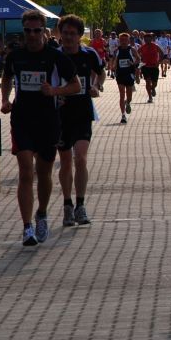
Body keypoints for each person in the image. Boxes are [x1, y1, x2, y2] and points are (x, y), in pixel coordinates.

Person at [1, 9, 80, 247]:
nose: (32, 35)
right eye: (27, 31)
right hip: (22, 119)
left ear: (44, 32)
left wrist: (54, 91)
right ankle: (27, 227)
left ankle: (42, 213)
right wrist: (5, 100)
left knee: (44, 172)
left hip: (48, 121)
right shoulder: (16, 55)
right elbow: (6, 77)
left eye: (36, 31)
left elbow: (75, 86)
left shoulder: (56, 57)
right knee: (26, 171)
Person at [56, 14, 104, 227]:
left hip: (83, 112)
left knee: (81, 158)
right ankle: (67, 204)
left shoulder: (89, 54)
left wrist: (96, 86)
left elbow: (100, 73)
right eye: (65, 33)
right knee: (66, 161)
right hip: (61, 115)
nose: (68, 37)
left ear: (79, 36)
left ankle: (80, 204)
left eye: (72, 34)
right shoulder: (54, 56)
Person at [111, 32, 139, 124]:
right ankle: (123, 115)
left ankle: (128, 103)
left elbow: (138, 59)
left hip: (129, 74)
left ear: (128, 41)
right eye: (121, 40)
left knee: (129, 96)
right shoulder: (117, 50)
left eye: (125, 40)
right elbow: (114, 60)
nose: (123, 42)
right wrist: (113, 67)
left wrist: (133, 63)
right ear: (119, 41)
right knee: (122, 94)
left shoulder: (132, 50)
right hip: (120, 75)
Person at [138, 33, 164, 103]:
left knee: (155, 83)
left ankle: (153, 88)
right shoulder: (142, 47)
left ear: (151, 39)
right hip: (145, 67)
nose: (147, 41)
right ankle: (150, 97)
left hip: (154, 67)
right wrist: (139, 65)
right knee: (147, 81)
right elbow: (137, 55)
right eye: (145, 39)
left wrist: (159, 62)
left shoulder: (155, 46)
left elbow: (162, 53)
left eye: (148, 39)